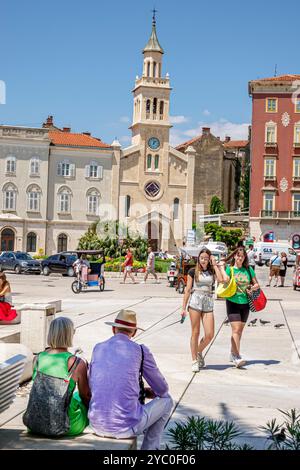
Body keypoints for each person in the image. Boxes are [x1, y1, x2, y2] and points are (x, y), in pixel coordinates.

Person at [88, 309, 173, 450]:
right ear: (134, 332)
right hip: (125, 428)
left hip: (97, 424)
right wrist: (148, 391)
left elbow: (96, 384)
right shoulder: (140, 350)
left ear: (113, 329)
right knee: (167, 401)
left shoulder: (98, 348)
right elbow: (162, 389)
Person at [24, 317, 90, 436]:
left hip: (35, 424)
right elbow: (85, 395)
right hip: (66, 425)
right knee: (79, 398)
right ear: (70, 334)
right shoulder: (76, 362)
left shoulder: (37, 359)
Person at [181, 248, 225, 372]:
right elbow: (188, 290)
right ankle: (194, 360)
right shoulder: (192, 271)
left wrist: (214, 264)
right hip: (195, 302)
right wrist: (183, 308)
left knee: (210, 334)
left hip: (208, 302)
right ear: (198, 259)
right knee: (195, 332)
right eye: (202, 258)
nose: (204, 261)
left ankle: (199, 351)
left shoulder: (212, 271)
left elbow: (221, 280)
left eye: (206, 258)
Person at [221, 247, 260, 368]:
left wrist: (252, 288)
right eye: (237, 256)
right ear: (234, 257)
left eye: (242, 256)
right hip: (232, 302)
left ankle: (233, 352)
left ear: (244, 258)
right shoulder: (230, 269)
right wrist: (221, 267)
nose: (239, 258)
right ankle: (237, 356)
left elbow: (257, 284)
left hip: (246, 303)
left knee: (239, 331)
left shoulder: (248, 270)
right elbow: (224, 281)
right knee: (236, 330)